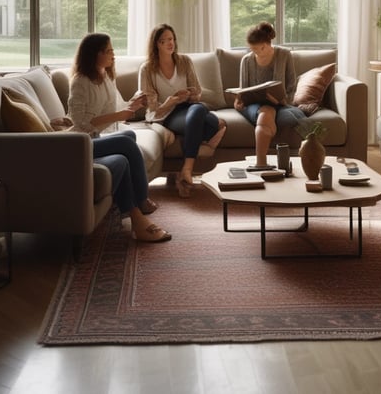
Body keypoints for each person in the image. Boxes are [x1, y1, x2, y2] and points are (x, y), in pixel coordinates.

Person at [68, 32, 171, 243]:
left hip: (96, 138)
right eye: (108, 51)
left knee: (128, 138)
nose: (113, 55)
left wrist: (134, 103)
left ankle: (135, 213)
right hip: (80, 143)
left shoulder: (105, 76)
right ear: (94, 54)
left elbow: (119, 107)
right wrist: (120, 115)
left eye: (112, 50)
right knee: (125, 141)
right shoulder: (80, 82)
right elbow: (80, 123)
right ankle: (141, 200)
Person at [139, 24, 226, 197]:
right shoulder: (147, 69)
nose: (170, 43)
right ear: (157, 44)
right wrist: (170, 102)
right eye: (164, 41)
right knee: (213, 124)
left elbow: (197, 91)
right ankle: (194, 159)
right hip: (167, 114)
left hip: (189, 107)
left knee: (198, 110)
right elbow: (151, 107)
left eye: (171, 39)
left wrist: (191, 94)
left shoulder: (184, 61)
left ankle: (186, 169)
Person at [234, 21, 306, 169]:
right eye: (251, 48)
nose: (252, 51)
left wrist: (281, 100)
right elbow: (243, 90)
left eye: (255, 48)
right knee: (266, 112)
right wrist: (238, 100)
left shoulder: (284, 55)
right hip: (254, 105)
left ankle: (261, 164)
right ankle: (261, 163)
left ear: (266, 45)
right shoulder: (246, 60)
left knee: (272, 111)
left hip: (279, 104)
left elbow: (292, 86)